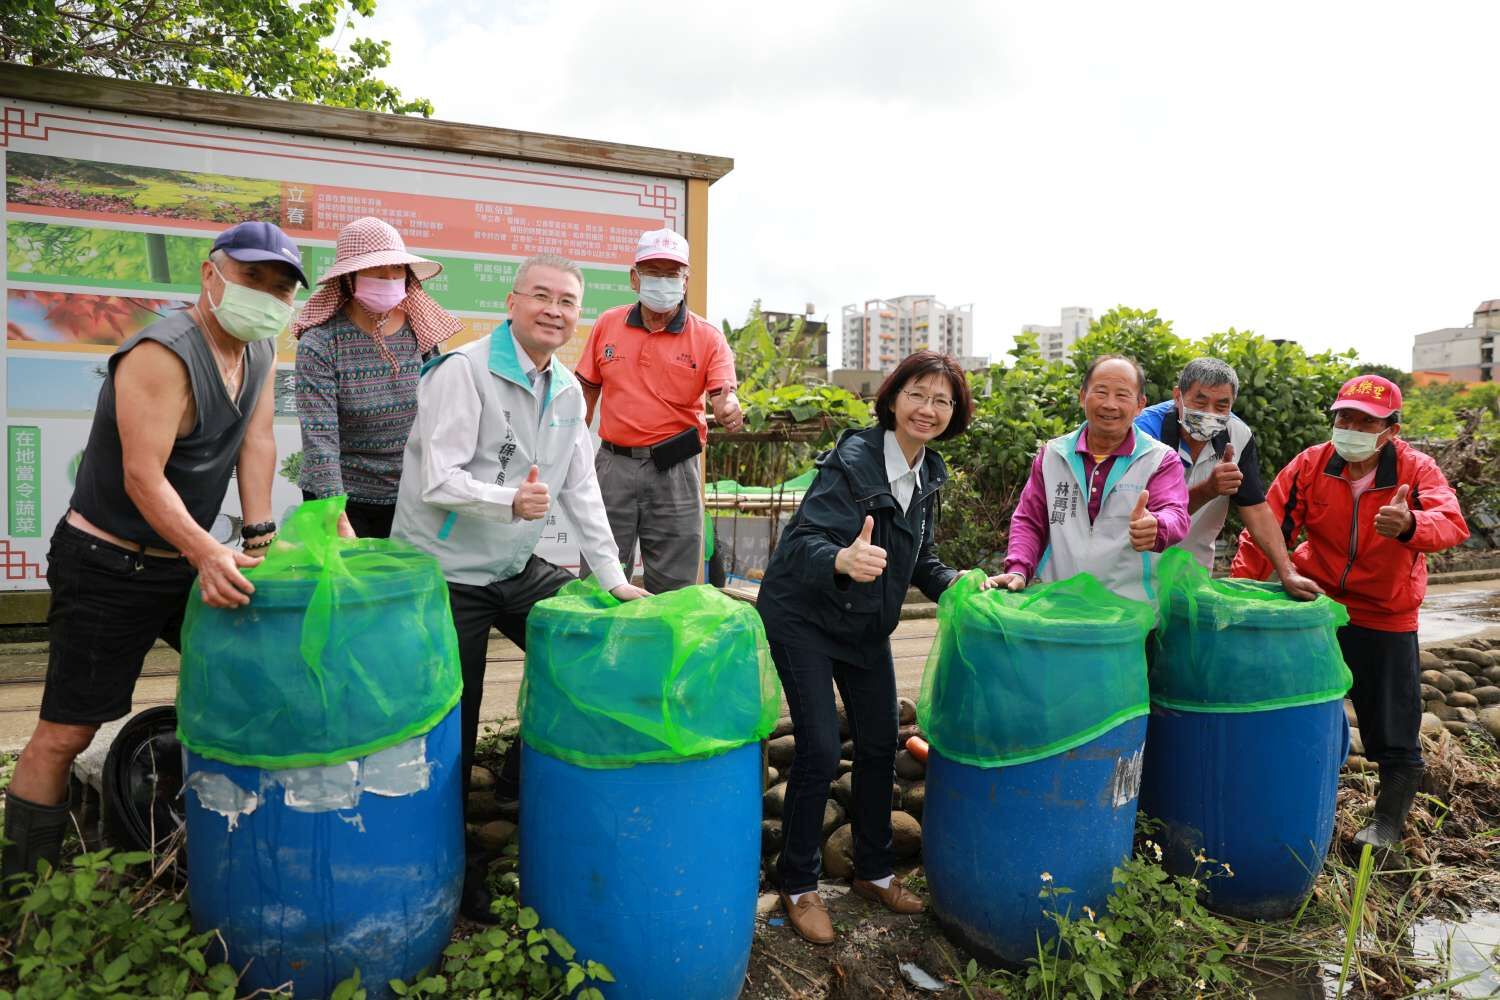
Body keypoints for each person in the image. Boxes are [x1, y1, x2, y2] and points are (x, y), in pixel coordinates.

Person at [1, 221, 305, 884]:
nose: (267, 296)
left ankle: (225, 846)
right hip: (108, 562)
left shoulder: (257, 351)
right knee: (67, 731)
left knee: (250, 688)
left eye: (281, 288)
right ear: (210, 273)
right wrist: (205, 550)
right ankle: (24, 894)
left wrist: (259, 538)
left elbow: (256, 445)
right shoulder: (161, 354)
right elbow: (144, 475)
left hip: (185, 561)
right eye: (254, 278)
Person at [391, 253, 649, 921]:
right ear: (512, 302)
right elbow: (436, 480)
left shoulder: (566, 389)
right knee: (457, 720)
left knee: (589, 648)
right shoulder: (465, 373)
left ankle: (519, 783)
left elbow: (580, 487)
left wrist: (614, 579)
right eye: (542, 296)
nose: (554, 310)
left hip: (512, 566)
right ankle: (451, 869)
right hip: (446, 573)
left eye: (567, 301)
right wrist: (509, 500)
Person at [757, 351, 975, 945]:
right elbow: (804, 541)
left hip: (863, 626)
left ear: (953, 414)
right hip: (803, 615)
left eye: (942, 400)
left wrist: (957, 582)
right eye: (917, 394)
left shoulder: (928, 474)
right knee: (822, 750)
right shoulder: (853, 463)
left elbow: (919, 557)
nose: (928, 409)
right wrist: (841, 559)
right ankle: (797, 884)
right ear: (893, 399)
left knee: (881, 744)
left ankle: (873, 871)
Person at [1229, 374, 1469, 850]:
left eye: (1366, 420)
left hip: (1384, 609)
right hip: (1315, 603)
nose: (1352, 427)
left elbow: (1451, 523)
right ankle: (1295, 792)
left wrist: (1410, 524)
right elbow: (1268, 527)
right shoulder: (1311, 465)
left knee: (1392, 724)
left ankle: (1386, 823)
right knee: (1292, 700)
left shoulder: (1416, 470)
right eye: (1345, 417)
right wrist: (1241, 593)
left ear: (1391, 431)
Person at [575, 228, 742, 593]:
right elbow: (586, 389)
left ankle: (664, 650)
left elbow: (723, 394)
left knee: (674, 585)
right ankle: (599, 649)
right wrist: (571, 447)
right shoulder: (608, 324)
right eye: (653, 272)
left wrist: (728, 407)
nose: (662, 282)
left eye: (671, 273)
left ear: (685, 280)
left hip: (675, 472)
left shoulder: (708, 336)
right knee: (599, 578)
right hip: (612, 466)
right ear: (635, 278)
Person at [293, 217, 460, 539]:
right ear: (348, 279)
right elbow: (320, 438)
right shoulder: (322, 342)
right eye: (376, 271)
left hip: (411, 492)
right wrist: (335, 513)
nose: (389, 278)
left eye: (397, 270)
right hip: (341, 494)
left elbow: (441, 413)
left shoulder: (420, 331)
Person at [988, 355, 1190, 601]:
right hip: (1061, 604)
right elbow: (1030, 519)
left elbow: (1176, 513)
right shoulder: (1053, 454)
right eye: (1101, 392)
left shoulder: (1159, 459)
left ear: (1140, 405)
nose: (1110, 404)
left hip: (1132, 613)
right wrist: (1018, 569)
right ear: (1083, 396)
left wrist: (1157, 526)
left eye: (1122, 395)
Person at [1134, 357, 1322, 598]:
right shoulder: (1142, 432)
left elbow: (1255, 508)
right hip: (1132, 570)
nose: (1210, 414)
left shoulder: (1238, 435)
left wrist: (1286, 571)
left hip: (1191, 571)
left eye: (1222, 406)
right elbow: (1144, 514)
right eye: (1200, 402)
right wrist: (1208, 490)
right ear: (1177, 396)